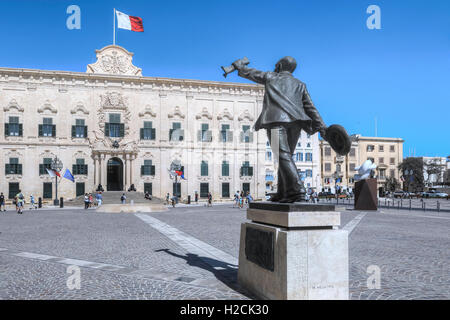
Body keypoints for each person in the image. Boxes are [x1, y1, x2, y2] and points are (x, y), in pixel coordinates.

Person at [233, 56, 327, 203]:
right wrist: (322, 127)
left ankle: (298, 191)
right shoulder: (300, 84)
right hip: (296, 123)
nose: (275, 66)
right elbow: (310, 107)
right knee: (285, 156)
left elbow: (253, 73)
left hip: (276, 121)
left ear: (280, 66)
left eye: (277, 64)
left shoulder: (271, 77)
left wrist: (240, 68)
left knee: (283, 156)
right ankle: (283, 193)